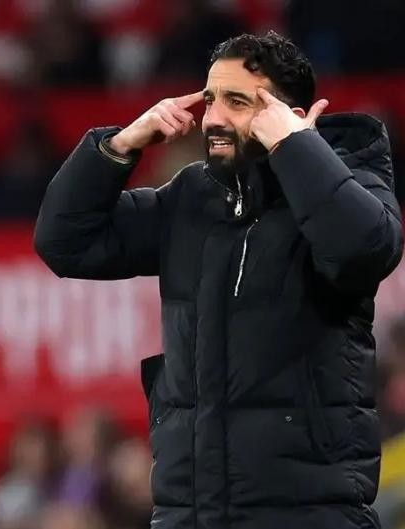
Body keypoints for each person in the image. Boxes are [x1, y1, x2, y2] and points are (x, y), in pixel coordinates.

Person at [34, 31, 403, 529]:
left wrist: (296, 147)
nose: (213, 118)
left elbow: (364, 250)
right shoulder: (190, 198)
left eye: (237, 102)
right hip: (191, 514)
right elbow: (64, 241)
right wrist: (119, 146)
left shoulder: (352, 180)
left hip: (309, 513)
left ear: (288, 115)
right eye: (210, 100)